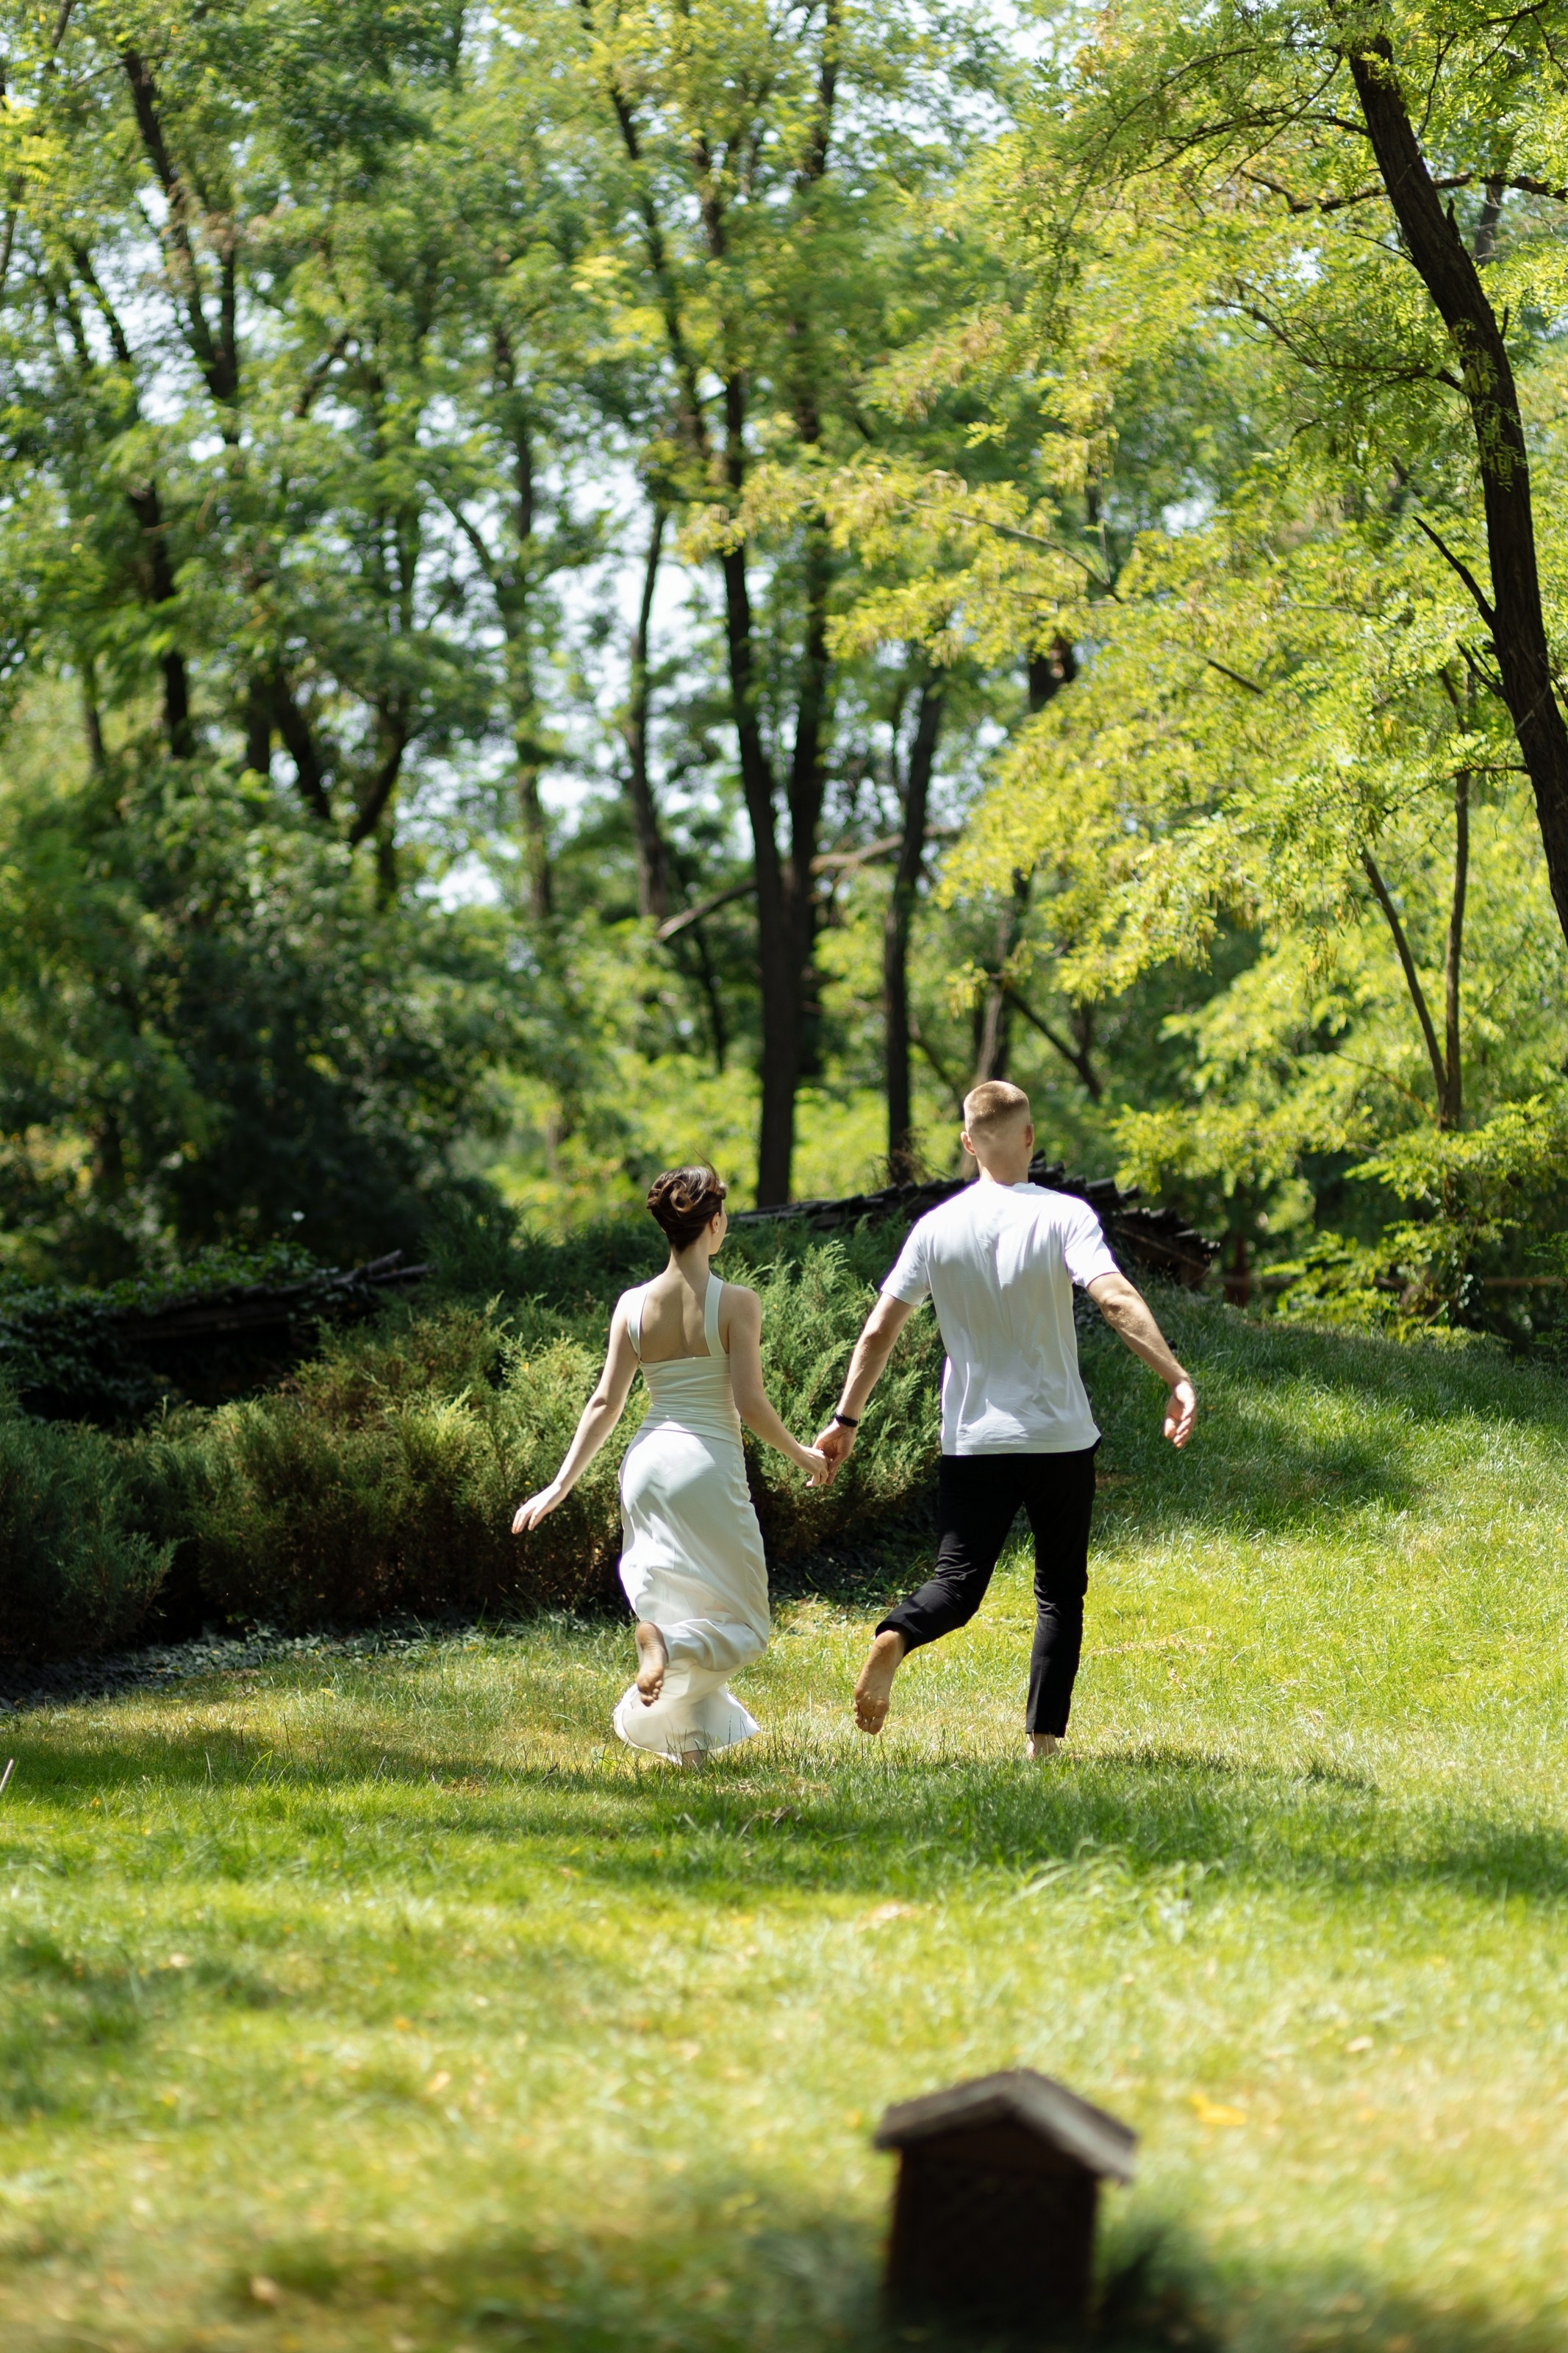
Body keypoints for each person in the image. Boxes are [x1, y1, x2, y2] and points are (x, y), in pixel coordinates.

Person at [814, 1081, 1197, 1758]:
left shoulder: (935, 1227)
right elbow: (1113, 1300)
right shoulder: (1064, 1215)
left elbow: (878, 1332)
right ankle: (1042, 1743)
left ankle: (897, 1635)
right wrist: (1174, 1376)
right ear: (1027, 1136)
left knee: (955, 1585)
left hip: (973, 1440)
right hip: (1057, 1439)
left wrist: (845, 1418)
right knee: (1058, 1594)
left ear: (967, 1144)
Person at [512, 1163, 829, 1763]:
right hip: (704, 1464)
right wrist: (803, 1457)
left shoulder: (632, 1306)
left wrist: (559, 1485)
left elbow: (606, 1402)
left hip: (647, 1465)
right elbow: (750, 1405)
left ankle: (690, 1749)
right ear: (715, 1223)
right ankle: (663, 1644)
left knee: (684, 1608)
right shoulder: (736, 1302)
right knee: (744, 1627)